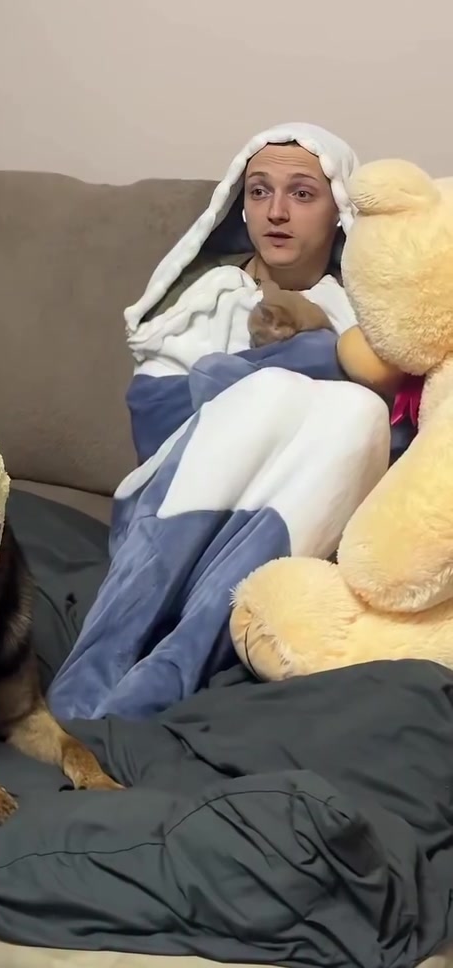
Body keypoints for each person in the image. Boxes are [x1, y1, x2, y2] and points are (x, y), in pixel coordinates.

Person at [48, 124, 393, 723]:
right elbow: (156, 422)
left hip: (293, 543)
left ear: (338, 210)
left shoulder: (362, 319)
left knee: (363, 412)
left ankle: (176, 664)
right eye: (259, 192)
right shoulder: (207, 298)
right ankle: (96, 667)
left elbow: (394, 452)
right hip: (174, 522)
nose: (276, 212)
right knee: (284, 392)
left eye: (302, 193)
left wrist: (309, 350)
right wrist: (299, 366)